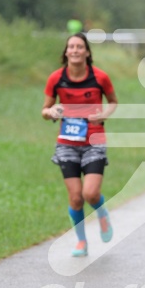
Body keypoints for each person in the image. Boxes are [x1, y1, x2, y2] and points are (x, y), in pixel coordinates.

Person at [41, 32, 118, 257]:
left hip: (94, 140)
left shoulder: (100, 77)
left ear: (86, 52)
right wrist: (51, 111)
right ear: (66, 52)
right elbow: (45, 110)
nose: (74, 50)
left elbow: (113, 102)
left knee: (90, 194)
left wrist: (103, 114)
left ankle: (102, 213)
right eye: (71, 47)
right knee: (75, 197)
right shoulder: (56, 78)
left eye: (79, 46)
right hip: (67, 143)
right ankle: (81, 242)